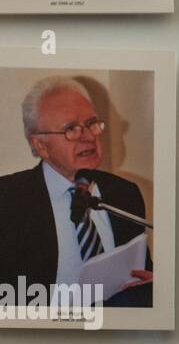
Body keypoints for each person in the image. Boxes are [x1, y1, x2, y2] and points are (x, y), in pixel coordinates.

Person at [0, 76, 151, 306]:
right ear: (41, 145)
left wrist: (153, 288)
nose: (89, 137)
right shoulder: (7, 200)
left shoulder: (125, 194)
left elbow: (142, 275)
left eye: (91, 123)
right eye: (71, 129)